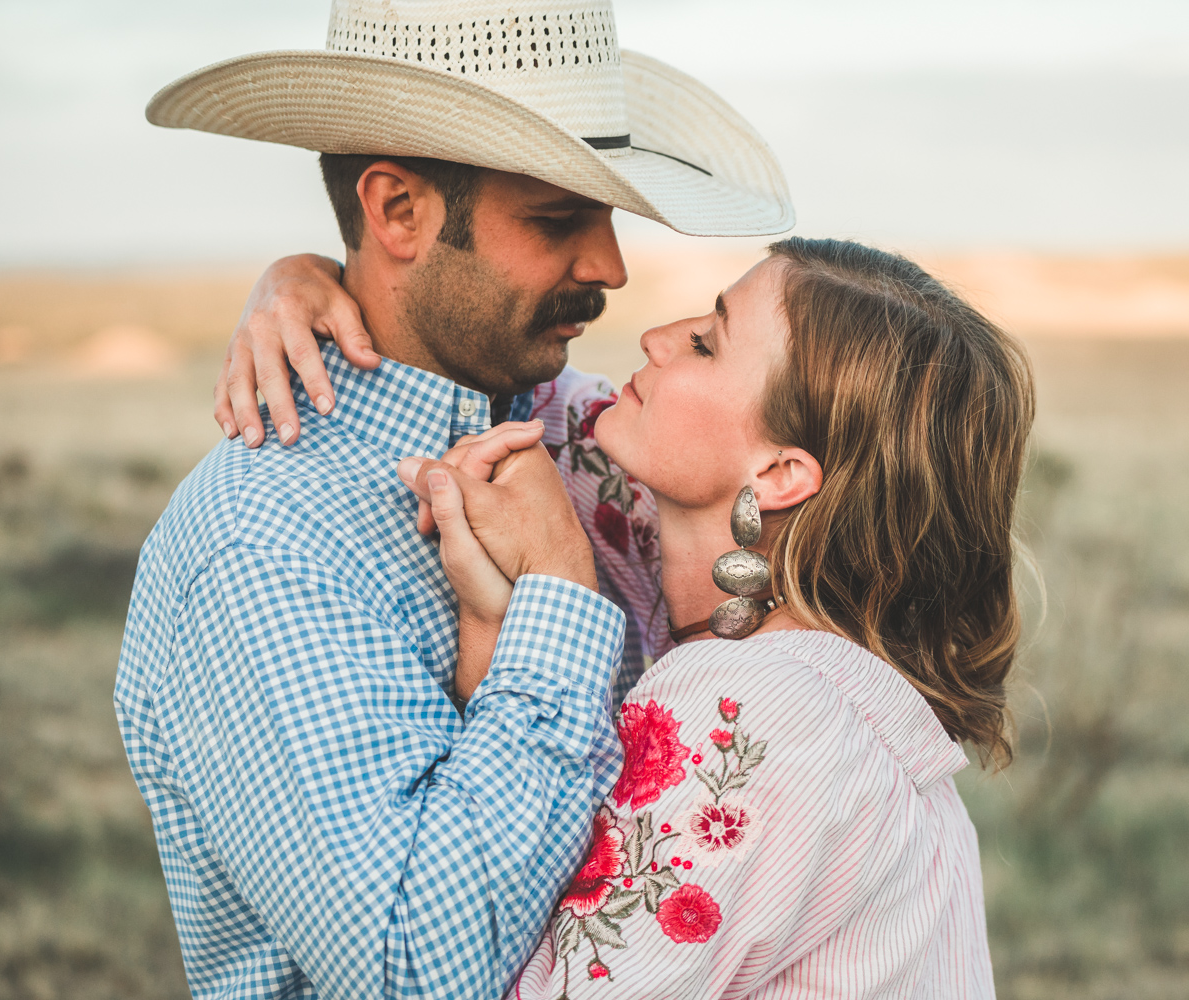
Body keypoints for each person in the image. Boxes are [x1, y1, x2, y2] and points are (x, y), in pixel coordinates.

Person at [114, 0, 792, 996]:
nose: (611, 265)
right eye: (560, 218)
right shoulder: (264, 547)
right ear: (399, 214)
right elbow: (414, 966)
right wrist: (559, 604)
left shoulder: (580, 423)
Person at [224, 236, 1035, 996]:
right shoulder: (657, 537)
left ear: (782, 471)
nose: (656, 336)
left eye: (708, 343)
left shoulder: (765, 716)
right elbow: (452, 377)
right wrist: (306, 282)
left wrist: (552, 594)